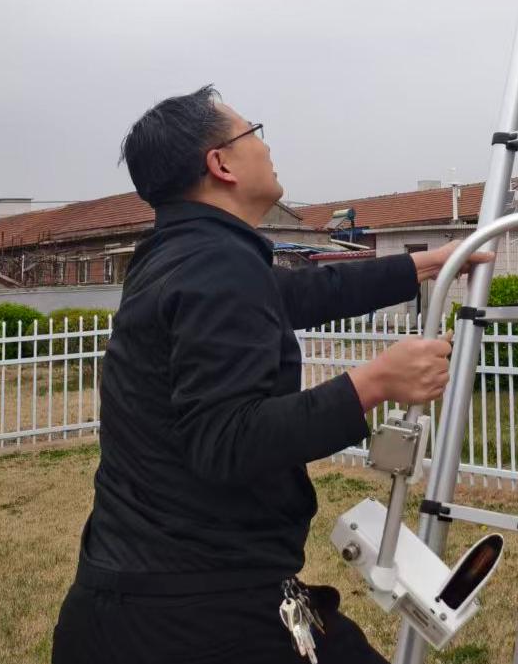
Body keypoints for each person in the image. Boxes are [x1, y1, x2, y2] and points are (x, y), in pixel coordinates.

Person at [51, 86, 488, 663]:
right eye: (252, 132)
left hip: (127, 601)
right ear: (221, 163)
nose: (266, 145)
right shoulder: (215, 261)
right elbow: (227, 440)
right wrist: (376, 383)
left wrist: (422, 264)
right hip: (194, 620)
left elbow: (298, 293)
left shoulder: (177, 255)